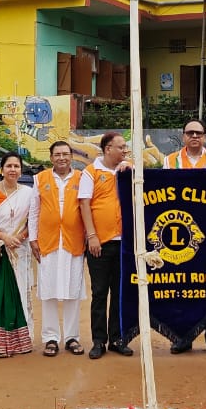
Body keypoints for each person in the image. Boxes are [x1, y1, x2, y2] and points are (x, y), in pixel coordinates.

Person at [163, 119, 206, 355]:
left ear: (205, 136)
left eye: (198, 133)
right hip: (180, 232)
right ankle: (184, 336)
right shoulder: (170, 161)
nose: (194, 136)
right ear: (183, 136)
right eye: (190, 132)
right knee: (182, 284)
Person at [79, 131, 134, 359]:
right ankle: (99, 341)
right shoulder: (90, 172)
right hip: (99, 243)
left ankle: (118, 339)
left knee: (120, 293)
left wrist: (129, 167)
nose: (125, 151)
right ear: (108, 148)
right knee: (100, 292)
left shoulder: (128, 170)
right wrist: (92, 236)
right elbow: (84, 204)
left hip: (124, 243)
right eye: (121, 147)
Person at [29, 140, 86, 356]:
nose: (62, 158)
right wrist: (33, 238)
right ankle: (50, 338)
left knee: (73, 289)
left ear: (71, 156)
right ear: (51, 157)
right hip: (49, 241)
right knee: (49, 289)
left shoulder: (82, 178)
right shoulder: (40, 179)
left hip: (73, 241)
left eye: (65, 154)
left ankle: (72, 337)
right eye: (57, 154)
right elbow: (34, 211)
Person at [0, 151, 34, 357]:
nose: (13, 169)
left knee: (18, 293)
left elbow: (33, 221)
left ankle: (19, 342)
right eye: (9, 166)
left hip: (19, 248)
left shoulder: (28, 193)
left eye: (16, 166)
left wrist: (19, 237)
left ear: (21, 170)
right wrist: (4, 237)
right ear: (1, 169)